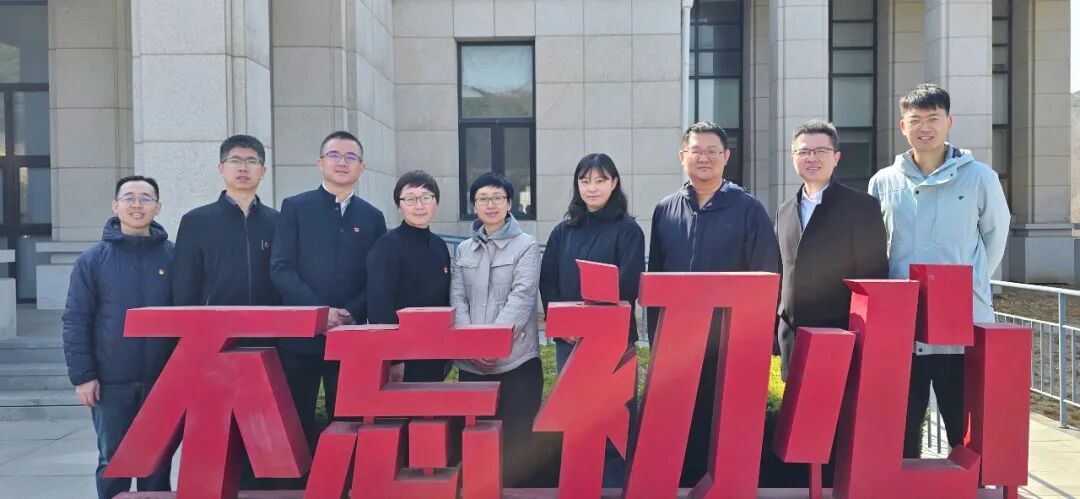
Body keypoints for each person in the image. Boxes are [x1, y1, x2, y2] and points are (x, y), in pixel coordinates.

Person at [868, 83, 1010, 458]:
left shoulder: (980, 177)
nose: (925, 127)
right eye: (915, 119)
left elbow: (995, 236)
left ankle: (970, 485)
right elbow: (875, 247)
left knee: (965, 427)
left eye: (933, 118)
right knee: (901, 428)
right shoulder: (884, 182)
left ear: (949, 122)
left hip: (963, 322)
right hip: (902, 323)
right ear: (903, 126)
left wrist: (973, 281)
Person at [647, 121, 780, 486]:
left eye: (712, 151)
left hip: (730, 345)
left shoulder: (748, 209)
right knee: (681, 429)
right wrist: (657, 338)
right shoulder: (665, 210)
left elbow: (766, 274)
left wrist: (755, 340)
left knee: (725, 431)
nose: (703, 158)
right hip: (678, 345)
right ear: (682, 156)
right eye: (696, 151)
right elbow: (656, 277)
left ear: (726, 157)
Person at [171, 134, 279, 489]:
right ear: (221, 168)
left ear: (263, 170)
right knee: (216, 429)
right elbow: (184, 289)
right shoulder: (196, 221)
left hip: (268, 343)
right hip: (213, 345)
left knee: (262, 432)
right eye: (235, 160)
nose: (243, 167)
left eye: (251, 161)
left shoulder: (278, 222)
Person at [270, 130, 387, 456]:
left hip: (351, 336)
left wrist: (351, 312)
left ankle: (346, 479)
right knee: (295, 422)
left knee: (349, 420)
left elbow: (377, 277)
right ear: (320, 162)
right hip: (299, 337)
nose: (342, 162)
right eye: (334, 155)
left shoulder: (372, 217)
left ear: (362, 167)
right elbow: (281, 268)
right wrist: (321, 313)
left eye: (351, 157)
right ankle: (298, 482)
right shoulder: (295, 207)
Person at [62, 176, 175, 499]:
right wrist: (83, 376)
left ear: (158, 207)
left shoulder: (173, 256)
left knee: (157, 465)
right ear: (115, 205)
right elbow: (76, 320)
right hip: (111, 383)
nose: (137, 204)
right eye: (129, 197)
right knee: (114, 462)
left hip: (163, 381)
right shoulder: (93, 259)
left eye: (146, 198)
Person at [539, 152, 644, 487]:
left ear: (614, 183)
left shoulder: (628, 230)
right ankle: (578, 486)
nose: (592, 187)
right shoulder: (563, 232)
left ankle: (614, 488)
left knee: (615, 421)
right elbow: (549, 283)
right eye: (585, 181)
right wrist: (567, 325)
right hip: (570, 343)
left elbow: (628, 284)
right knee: (577, 420)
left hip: (613, 344)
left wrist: (593, 326)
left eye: (600, 180)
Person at [775, 120, 888, 380]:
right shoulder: (785, 210)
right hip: (793, 338)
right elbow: (782, 271)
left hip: (841, 337)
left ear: (836, 157)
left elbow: (873, 279)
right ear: (793, 157)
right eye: (804, 151)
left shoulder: (862, 207)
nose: (811, 158)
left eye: (820, 151)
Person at [451, 172, 542, 488]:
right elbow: (457, 299)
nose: (490, 205)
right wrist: (471, 346)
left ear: (509, 203)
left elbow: (523, 296)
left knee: (516, 442)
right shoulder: (463, 249)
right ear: (474, 205)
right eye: (483, 199)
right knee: (478, 441)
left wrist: (493, 344)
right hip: (472, 364)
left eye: (497, 198)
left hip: (517, 360)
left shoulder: (526, 245)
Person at [366, 170, 451, 382]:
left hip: (435, 350)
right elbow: (379, 305)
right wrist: (394, 358)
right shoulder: (386, 247)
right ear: (399, 205)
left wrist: (447, 351)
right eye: (410, 199)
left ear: (436, 203)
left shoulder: (440, 246)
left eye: (426, 198)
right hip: (401, 355)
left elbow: (445, 300)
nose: (419, 206)